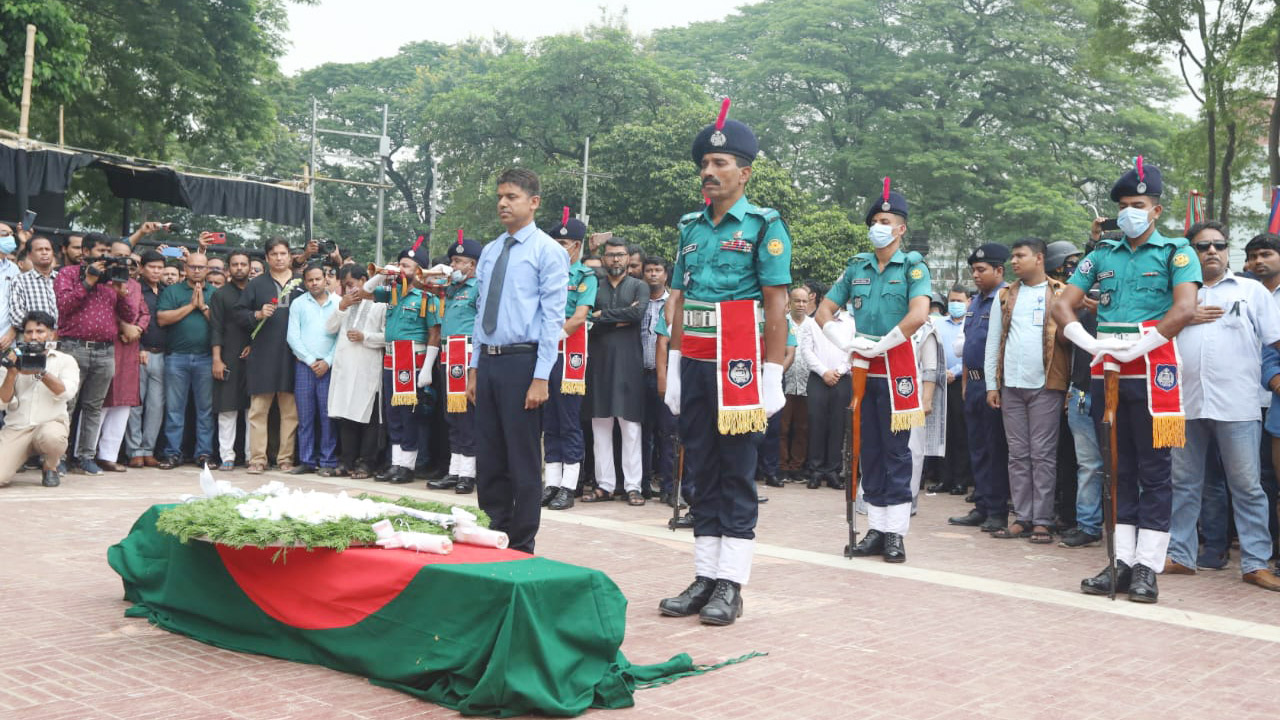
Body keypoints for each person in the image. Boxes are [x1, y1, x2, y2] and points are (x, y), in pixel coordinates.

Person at [659, 107, 790, 626]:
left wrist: (773, 371)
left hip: (738, 366)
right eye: (704, 163)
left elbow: (776, 305)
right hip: (693, 361)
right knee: (700, 469)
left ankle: (731, 583)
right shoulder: (690, 227)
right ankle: (705, 575)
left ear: (744, 172)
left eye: (719, 162)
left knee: (737, 472)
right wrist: (671, 367)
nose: (708, 172)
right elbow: (677, 300)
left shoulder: (764, 225)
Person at [1053, 158, 1200, 603]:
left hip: (1154, 370)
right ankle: (1120, 559)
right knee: (1117, 469)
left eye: (1137, 204)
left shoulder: (1177, 251)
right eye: (1122, 205)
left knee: (1155, 472)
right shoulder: (1101, 255)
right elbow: (1065, 304)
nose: (1128, 212)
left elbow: (1184, 309)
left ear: (1155, 210)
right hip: (1107, 370)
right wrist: (1085, 339)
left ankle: (1147, 567)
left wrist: (1139, 346)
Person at [816, 178, 931, 562]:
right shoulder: (856, 267)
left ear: (901, 228)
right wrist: (845, 342)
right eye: (875, 220)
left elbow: (919, 313)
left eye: (886, 220)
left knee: (897, 453)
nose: (878, 226)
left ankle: (896, 532)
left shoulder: (913, 266)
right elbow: (823, 312)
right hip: (864, 368)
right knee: (869, 451)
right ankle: (875, 527)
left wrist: (884, 342)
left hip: (896, 366)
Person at [1170, 222, 1280, 590]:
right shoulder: (1178, 295)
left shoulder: (1250, 291)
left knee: (1247, 486)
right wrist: (1184, 315)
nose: (1212, 251)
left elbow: (1276, 340)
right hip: (1184, 405)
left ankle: (1255, 563)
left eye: (1219, 244)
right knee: (1184, 483)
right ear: (1190, 253)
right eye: (1203, 246)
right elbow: (1153, 333)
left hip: (1238, 406)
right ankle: (1181, 556)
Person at [467, 168, 569, 553]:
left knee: (522, 457)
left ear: (533, 202)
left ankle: (522, 541)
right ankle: (492, 529)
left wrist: (541, 376)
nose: (503, 204)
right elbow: (480, 314)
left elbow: (552, 317)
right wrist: (475, 366)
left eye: (511, 196)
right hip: (490, 362)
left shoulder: (548, 251)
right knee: (489, 454)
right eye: (499, 197)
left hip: (523, 363)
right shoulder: (492, 250)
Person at [983, 237, 1071, 544]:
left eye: (1020, 256)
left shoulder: (1059, 293)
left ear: (1039, 258)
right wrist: (993, 385)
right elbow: (994, 341)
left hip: (1046, 385)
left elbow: (1070, 343)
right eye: (1013, 257)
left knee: (1043, 455)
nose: (1014, 262)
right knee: (1017, 455)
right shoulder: (1005, 295)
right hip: (1011, 386)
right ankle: (1022, 517)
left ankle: (1042, 520)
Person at [56, 233, 142, 476]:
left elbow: (127, 315)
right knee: (67, 406)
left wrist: (121, 291)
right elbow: (64, 306)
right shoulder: (68, 274)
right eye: (102, 251)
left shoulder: (113, 278)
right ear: (85, 253)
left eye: (109, 252)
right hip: (73, 348)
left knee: (94, 407)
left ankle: (85, 457)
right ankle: (59, 456)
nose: (107, 257)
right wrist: (89, 281)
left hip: (105, 351)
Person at [363, 237, 441, 484]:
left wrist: (427, 367)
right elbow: (364, 293)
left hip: (413, 357)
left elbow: (434, 333)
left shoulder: (427, 297)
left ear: (418, 271)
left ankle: (407, 465)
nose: (401, 269)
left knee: (409, 414)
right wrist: (383, 272)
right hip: (392, 356)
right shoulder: (393, 293)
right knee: (392, 412)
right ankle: (396, 463)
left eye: (406, 265)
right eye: (400, 264)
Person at [579, 237, 648, 505]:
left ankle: (633, 486)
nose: (615, 260)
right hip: (599, 362)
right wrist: (615, 317)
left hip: (629, 363)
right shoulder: (594, 285)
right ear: (604, 258)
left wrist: (602, 316)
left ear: (628, 258)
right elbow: (586, 318)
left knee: (630, 426)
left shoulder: (639, 286)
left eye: (620, 255)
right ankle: (604, 485)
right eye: (610, 255)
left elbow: (638, 314)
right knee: (600, 424)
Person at [949, 243, 1011, 531]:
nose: (975, 275)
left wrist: (993, 384)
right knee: (978, 448)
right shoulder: (975, 302)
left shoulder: (1006, 298)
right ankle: (982, 505)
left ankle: (997, 510)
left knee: (994, 448)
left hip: (992, 384)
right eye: (973, 270)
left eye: (981, 270)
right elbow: (969, 344)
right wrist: (964, 380)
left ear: (999, 270)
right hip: (971, 383)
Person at [537, 213, 596, 510]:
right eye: (554, 242)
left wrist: (552, 336)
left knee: (569, 419)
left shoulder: (584, 276)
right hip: (545, 351)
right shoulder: (545, 274)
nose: (557, 247)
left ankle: (569, 485)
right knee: (550, 420)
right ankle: (552, 482)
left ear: (576, 246)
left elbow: (580, 316)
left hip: (569, 350)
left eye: (562, 243)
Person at [235, 238, 304, 474]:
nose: (279, 258)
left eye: (283, 253)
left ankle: (285, 458)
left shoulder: (301, 284)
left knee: (290, 411)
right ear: (266, 258)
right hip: (263, 354)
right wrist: (257, 313)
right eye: (273, 254)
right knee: (258, 411)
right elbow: (239, 314)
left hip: (292, 355)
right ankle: (258, 460)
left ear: (290, 256)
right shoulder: (256, 284)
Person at [425, 237, 483, 490]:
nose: (454, 265)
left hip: (467, 353)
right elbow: (422, 281)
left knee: (468, 416)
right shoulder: (451, 288)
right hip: (449, 354)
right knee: (452, 415)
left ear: (473, 264)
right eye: (452, 261)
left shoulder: (480, 286)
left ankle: (469, 473)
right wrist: (441, 272)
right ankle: (455, 469)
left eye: (459, 261)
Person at [0, 311, 79, 487]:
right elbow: (3, 401)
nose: (34, 336)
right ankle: (16, 457)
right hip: (17, 427)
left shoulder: (65, 360)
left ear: (52, 334)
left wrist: (40, 372)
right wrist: (11, 372)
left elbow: (66, 393)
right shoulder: (12, 358)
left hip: (49, 424)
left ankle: (50, 467)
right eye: (29, 332)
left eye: (40, 331)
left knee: (53, 437)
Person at [156, 251, 215, 469]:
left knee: (205, 410)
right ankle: (172, 453)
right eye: (192, 267)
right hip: (176, 358)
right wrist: (191, 306)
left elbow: (221, 324)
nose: (197, 271)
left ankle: (204, 454)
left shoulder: (215, 293)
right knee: (174, 409)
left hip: (206, 358)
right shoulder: (173, 291)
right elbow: (162, 319)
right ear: (185, 268)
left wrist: (203, 307)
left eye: (201, 267)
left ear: (207, 269)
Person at [326, 264, 386, 479]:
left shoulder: (380, 306)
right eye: (345, 286)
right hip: (345, 370)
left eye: (351, 285)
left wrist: (365, 337)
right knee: (345, 416)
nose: (349, 290)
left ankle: (366, 463)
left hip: (367, 369)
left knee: (367, 418)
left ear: (364, 281)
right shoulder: (345, 305)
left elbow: (388, 337)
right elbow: (330, 327)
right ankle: (346, 461)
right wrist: (342, 305)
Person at [94, 242, 149, 471]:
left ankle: (109, 456)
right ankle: (85, 453)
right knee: (99, 403)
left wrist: (137, 329)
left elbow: (145, 312)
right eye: (119, 256)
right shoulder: (98, 282)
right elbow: (101, 312)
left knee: (124, 404)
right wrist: (124, 326)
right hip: (106, 345)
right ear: (109, 256)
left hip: (129, 349)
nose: (123, 261)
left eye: (128, 258)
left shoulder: (135, 285)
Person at [286, 264, 340, 476]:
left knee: (328, 417)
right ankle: (307, 460)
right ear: (305, 281)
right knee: (305, 416)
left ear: (326, 278)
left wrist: (327, 361)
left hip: (330, 367)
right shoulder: (298, 304)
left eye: (318, 279)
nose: (314, 283)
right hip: (304, 366)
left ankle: (328, 461)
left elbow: (341, 337)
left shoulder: (338, 303)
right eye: (310, 280)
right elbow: (292, 337)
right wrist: (310, 361)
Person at [801, 290, 851, 490]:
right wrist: (824, 372)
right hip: (818, 377)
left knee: (838, 425)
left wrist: (838, 371)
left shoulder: (850, 323)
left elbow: (853, 351)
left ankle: (833, 471)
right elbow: (805, 350)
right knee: (816, 423)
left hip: (842, 377)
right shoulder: (811, 322)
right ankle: (815, 471)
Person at [209, 252, 252, 470]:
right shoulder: (221, 295)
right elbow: (215, 328)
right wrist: (217, 359)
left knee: (253, 410)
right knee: (227, 408)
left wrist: (254, 346)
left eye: (243, 264)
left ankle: (252, 456)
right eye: (235, 264)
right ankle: (227, 456)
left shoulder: (258, 292)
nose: (239, 268)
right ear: (228, 269)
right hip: (227, 357)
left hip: (255, 357)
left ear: (250, 267)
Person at [640, 256, 678, 502]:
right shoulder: (638, 300)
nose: (653, 274)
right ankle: (641, 485)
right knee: (642, 434)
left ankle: (669, 488)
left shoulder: (674, 303)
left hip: (666, 375)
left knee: (669, 434)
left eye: (657, 270)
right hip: (638, 376)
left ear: (665, 275)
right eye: (649, 270)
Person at [926, 285, 970, 494]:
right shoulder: (939, 324)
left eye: (960, 301)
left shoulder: (969, 323)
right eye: (952, 300)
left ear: (968, 302)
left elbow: (970, 353)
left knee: (960, 433)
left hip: (960, 382)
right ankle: (945, 478)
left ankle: (961, 480)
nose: (956, 304)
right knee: (942, 432)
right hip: (939, 383)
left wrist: (955, 372)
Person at [124, 250, 167, 468]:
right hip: (139, 352)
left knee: (156, 406)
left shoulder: (168, 291)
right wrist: (139, 346)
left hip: (164, 355)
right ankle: (134, 450)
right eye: (152, 267)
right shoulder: (134, 289)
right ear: (142, 268)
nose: (156, 271)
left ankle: (149, 449)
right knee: (135, 403)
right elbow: (129, 318)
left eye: (160, 267)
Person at [780, 286, 812, 483]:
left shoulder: (814, 325)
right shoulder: (783, 323)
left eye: (804, 301)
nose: (800, 305)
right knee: (782, 427)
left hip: (807, 383)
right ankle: (782, 466)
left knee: (802, 427)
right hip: (785, 381)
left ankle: (797, 467)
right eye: (797, 301)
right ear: (789, 303)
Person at [7, 235, 59, 351]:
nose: (44, 253)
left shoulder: (62, 279)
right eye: (39, 250)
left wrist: (57, 331)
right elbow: (16, 315)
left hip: (61, 340)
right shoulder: (20, 280)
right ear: (30, 255)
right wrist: (41, 331)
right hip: (31, 341)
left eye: (47, 249)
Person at [0, 223, 22, 355]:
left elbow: (19, 303)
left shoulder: (13, 269)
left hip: (6, 342)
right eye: (4, 234)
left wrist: (13, 331)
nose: (10, 238)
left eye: (11, 234)